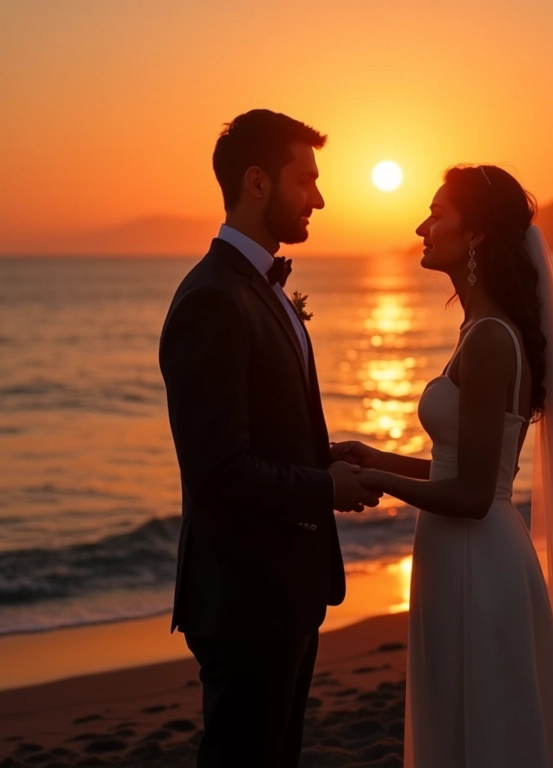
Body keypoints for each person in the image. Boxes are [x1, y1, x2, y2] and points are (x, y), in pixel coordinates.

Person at [333, 165, 553, 768]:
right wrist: (374, 454)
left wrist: (375, 483)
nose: (421, 226)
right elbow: (463, 464)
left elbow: (471, 495)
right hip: (459, 553)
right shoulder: (476, 332)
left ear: (478, 235)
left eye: (438, 213)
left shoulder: (490, 339)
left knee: (484, 727)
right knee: (463, 719)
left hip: (476, 561)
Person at [158, 109, 381, 768]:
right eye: (306, 178)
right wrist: (323, 489)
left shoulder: (261, 289)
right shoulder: (213, 300)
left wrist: (326, 457)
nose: (320, 196)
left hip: (285, 589)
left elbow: (261, 433)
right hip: (244, 598)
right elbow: (217, 474)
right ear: (258, 182)